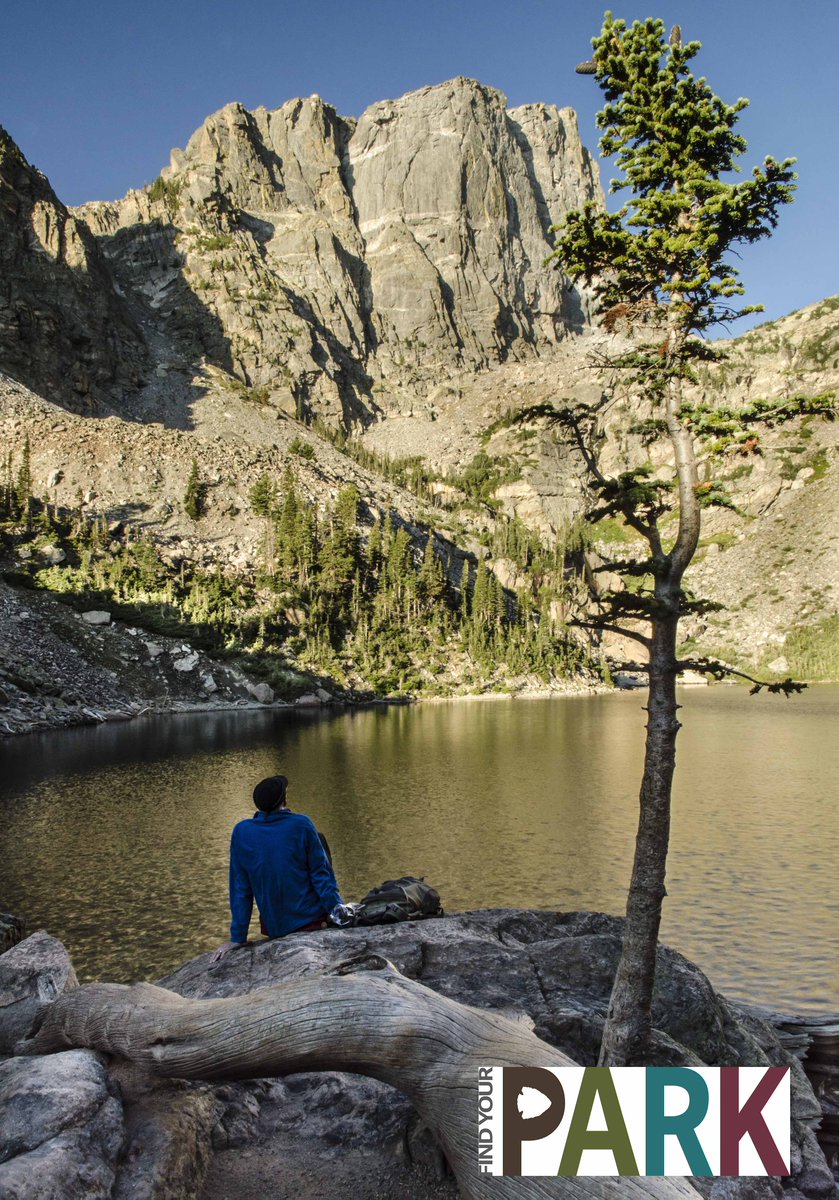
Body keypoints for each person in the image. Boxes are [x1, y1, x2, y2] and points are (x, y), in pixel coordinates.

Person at [211, 775, 351, 961]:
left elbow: (240, 889)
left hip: (275, 927)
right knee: (320, 839)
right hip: (309, 921)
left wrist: (238, 937)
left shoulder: (242, 831)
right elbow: (320, 875)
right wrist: (338, 911)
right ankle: (332, 911)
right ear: (284, 800)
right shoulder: (301, 824)